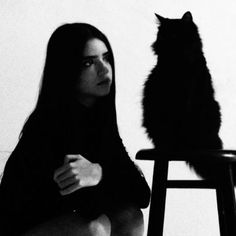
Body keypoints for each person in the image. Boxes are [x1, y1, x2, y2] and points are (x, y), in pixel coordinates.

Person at [0, 23, 150, 235]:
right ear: (67, 71)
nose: (104, 69)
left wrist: (99, 172)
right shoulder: (50, 125)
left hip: (62, 224)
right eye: (89, 63)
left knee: (130, 215)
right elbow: (87, 207)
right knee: (94, 228)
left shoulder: (100, 121)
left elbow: (142, 195)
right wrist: (109, 176)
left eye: (106, 58)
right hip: (21, 229)